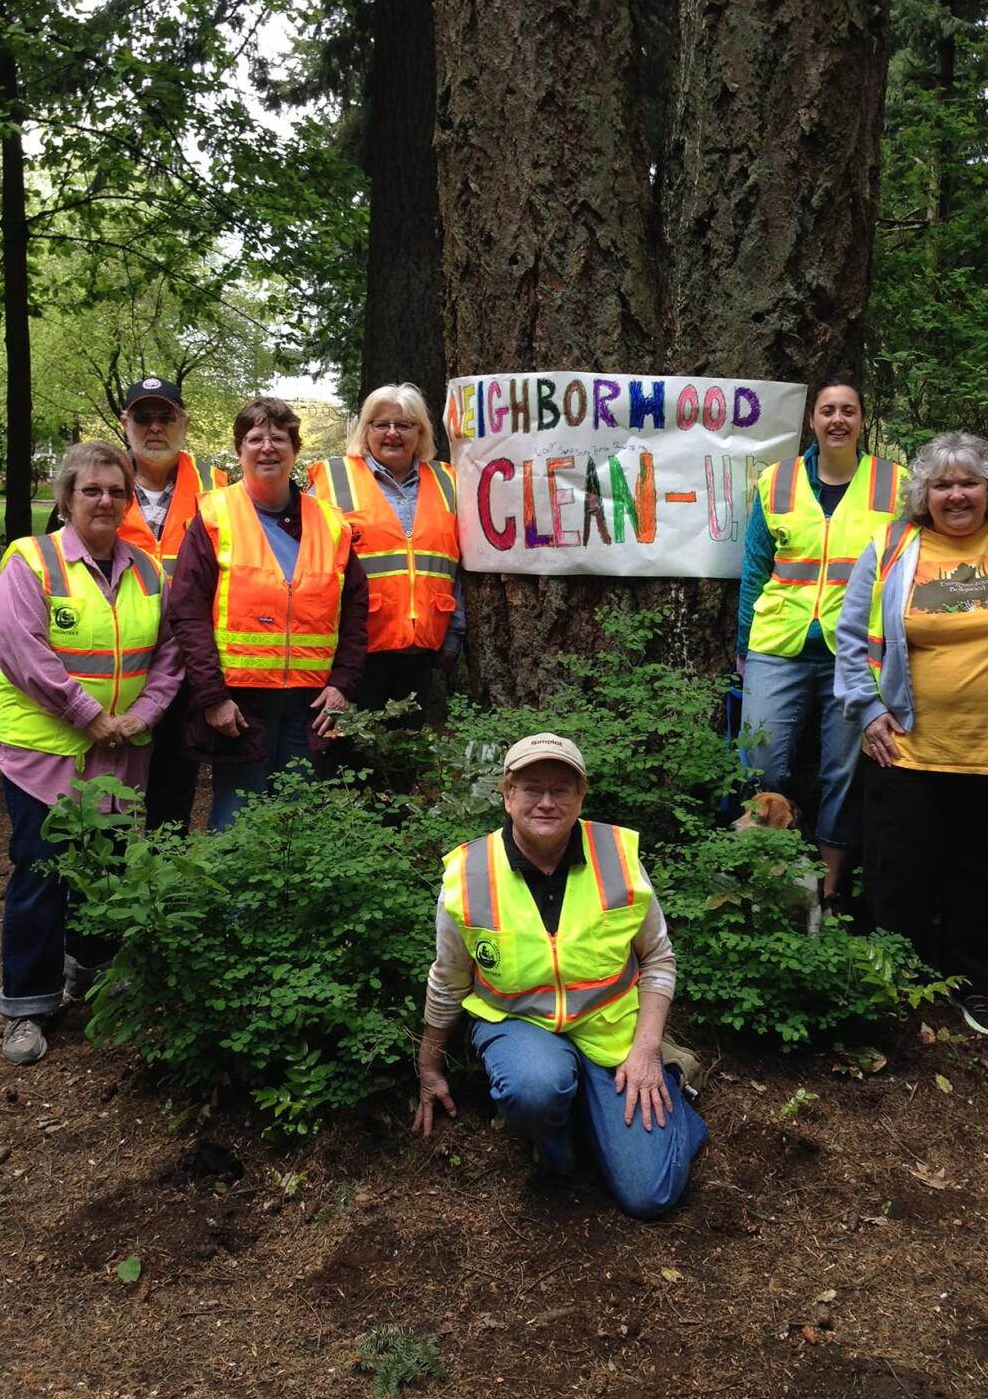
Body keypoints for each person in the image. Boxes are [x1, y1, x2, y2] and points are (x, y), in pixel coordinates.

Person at [414, 733, 707, 1219]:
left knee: (649, 1196)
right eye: (532, 788)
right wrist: (429, 1065)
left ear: (581, 797)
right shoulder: (468, 876)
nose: (546, 802)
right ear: (507, 795)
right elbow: (448, 980)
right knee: (535, 1086)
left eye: (562, 789)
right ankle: (557, 1149)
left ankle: (665, 1082)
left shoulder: (617, 856)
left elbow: (658, 958)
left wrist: (647, 1048)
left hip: (610, 1028)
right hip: (519, 1027)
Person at [835, 431, 988, 1037]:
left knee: (983, 872)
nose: (956, 495)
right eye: (942, 484)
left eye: (969, 483)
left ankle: (974, 984)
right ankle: (896, 984)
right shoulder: (890, 545)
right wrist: (867, 710)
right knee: (898, 871)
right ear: (923, 494)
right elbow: (851, 638)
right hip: (904, 742)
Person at [0, 441, 183, 1066]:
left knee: (106, 867)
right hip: (42, 753)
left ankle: (91, 972)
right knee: (42, 874)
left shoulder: (150, 571)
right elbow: (18, 648)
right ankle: (27, 1004)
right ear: (67, 497)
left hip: (120, 751)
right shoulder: (32, 559)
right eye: (91, 490)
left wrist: (143, 714)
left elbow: (170, 657)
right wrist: (88, 714)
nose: (104, 500)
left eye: (116, 491)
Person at [737, 379, 906, 905]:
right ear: (812, 420)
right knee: (760, 758)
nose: (838, 419)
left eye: (848, 411)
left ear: (861, 421)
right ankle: (765, 876)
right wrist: (744, 646)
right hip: (777, 643)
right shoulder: (777, 481)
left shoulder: (894, 484)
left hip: (852, 652)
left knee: (843, 771)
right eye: (828, 410)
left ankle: (825, 894)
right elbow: (754, 567)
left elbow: (906, 568)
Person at [168, 397, 368, 830]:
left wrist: (343, 686)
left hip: (310, 703)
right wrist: (213, 696)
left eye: (278, 438)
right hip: (241, 703)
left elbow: (354, 612)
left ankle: (291, 901)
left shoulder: (332, 523)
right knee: (236, 819)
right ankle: (233, 901)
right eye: (255, 438)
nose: (267, 448)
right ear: (240, 450)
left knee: (299, 817)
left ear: (295, 450)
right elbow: (187, 613)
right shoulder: (212, 516)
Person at [308, 383, 463, 742]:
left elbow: (459, 565)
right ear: (366, 430)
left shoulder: (449, 481)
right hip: (353, 649)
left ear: (420, 432)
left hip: (423, 649)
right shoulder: (332, 480)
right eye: (381, 424)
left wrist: (455, 631)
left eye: (404, 425)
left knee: (403, 754)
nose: (392, 433)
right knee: (349, 752)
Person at [113, 376, 227, 832]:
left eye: (166, 416)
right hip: (119, 659)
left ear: (184, 421)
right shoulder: (100, 481)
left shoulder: (216, 487)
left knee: (175, 784)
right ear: (126, 422)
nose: (154, 427)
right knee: (109, 782)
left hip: (187, 659)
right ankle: (107, 885)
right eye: (143, 417)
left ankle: (168, 884)